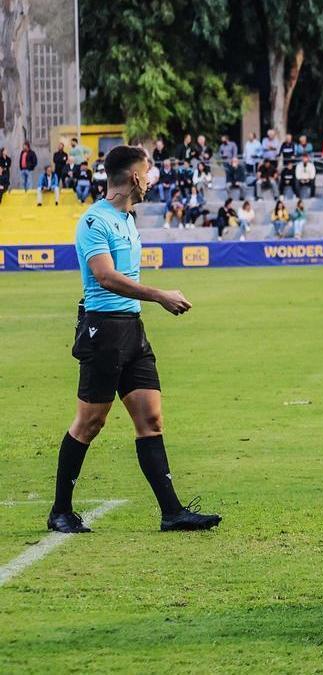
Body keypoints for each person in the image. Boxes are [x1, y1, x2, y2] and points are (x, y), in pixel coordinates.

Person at [49, 144, 221, 534]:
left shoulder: (128, 219)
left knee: (151, 418)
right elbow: (105, 277)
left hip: (132, 329)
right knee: (90, 422)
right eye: (149, 171)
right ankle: (60, 510)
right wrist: (160, 295)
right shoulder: (95, 221)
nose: (153, 178)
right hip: (103, 330)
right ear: (133, 177)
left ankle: (172, 512)